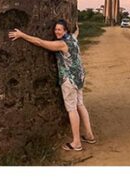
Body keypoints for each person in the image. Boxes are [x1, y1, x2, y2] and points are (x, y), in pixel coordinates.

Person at [8, 20, 96, 152]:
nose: (57, 32)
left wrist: (22, 35)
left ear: (65, 31)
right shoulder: (73, 38)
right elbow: (77, 32)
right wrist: (77, 27)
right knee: (80, 104)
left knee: (72, 109)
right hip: (79, 77)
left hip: (69, 80)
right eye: (56, 29)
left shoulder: (61, 44)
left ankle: (76, 142)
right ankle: (89, 135)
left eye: (60, 29)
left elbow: (40, 42)